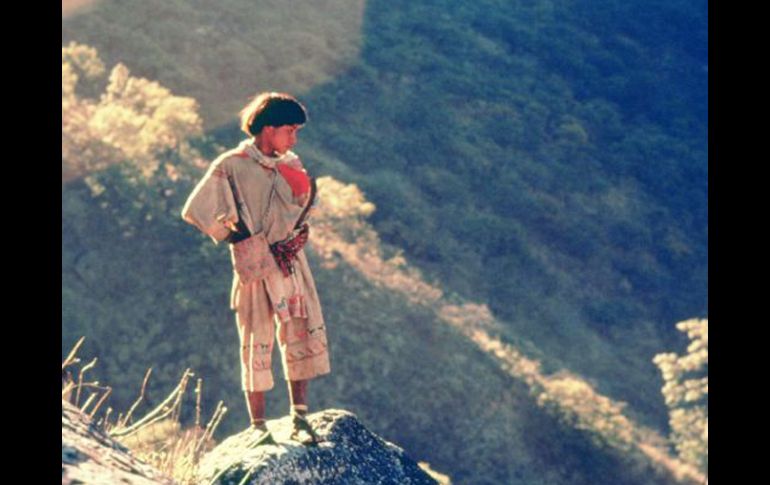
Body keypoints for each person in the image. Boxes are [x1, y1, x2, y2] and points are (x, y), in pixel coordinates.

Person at [181, 92, 331, 446]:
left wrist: (298, 224)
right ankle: (259, 427)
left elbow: (302, 207)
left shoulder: (291, 163)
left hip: (290, 260)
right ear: (268, 128)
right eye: (289, 130)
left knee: (299, 329)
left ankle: (300, 418)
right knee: (256, 335)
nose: (293, 139)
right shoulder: (232, 164)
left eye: (296, 132)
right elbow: (196, 209)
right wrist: (235, 237)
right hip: (255, 263)